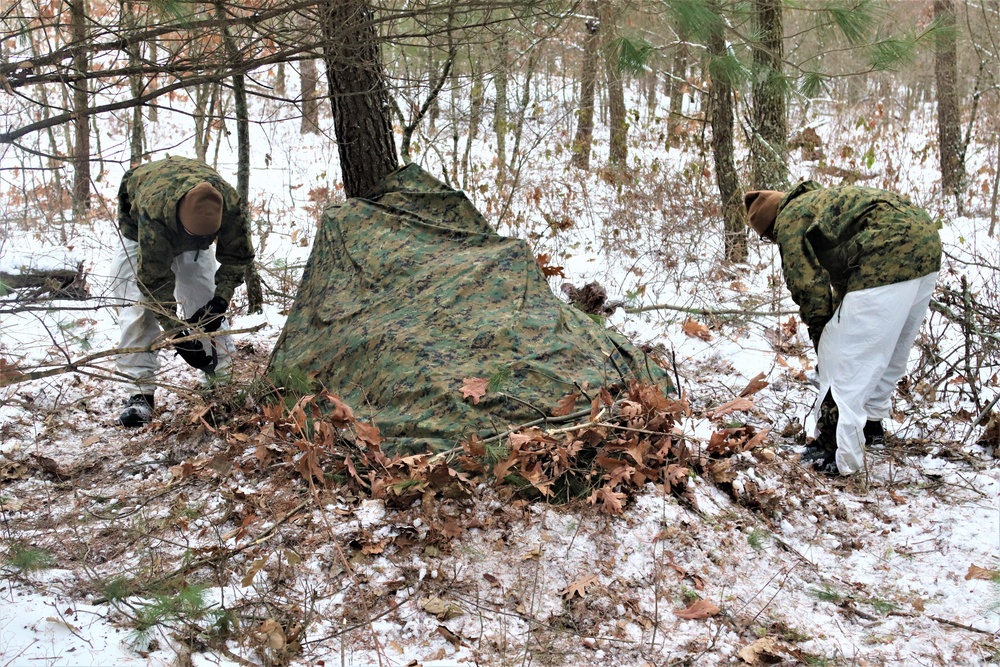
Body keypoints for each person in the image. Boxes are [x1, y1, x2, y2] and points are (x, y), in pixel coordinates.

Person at [744, 182, 942, 475]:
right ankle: (871, 424)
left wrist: (823, 336)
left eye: (767, 238)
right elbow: (845, 275)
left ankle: (837, 451)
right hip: (926, 241)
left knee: (846, 358)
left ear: (771, 227)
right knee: (891, 347)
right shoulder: (818, 203)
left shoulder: (789, 221)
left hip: (886, 250)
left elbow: (809, 288)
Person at [111, 156, 255, 427]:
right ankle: (139, 392)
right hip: (140, 230)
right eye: (196, 237)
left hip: (185, 221)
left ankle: (218, 378)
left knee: (204, 297)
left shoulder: (231, 206)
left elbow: (239, 256)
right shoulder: (154, 213)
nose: (201, 243)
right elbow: (153, 283)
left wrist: (221, 300)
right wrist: (176, 334)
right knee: (138, 308)